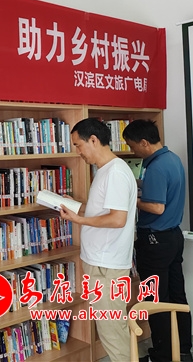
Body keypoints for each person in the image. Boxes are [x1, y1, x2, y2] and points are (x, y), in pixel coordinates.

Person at [58, 118, 137, 362]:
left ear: (93, 140)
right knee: (110, 329)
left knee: (112, 332)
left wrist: (79, 220)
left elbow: (117, 219)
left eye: (78, 145)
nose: (78, 152)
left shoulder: (115, 173)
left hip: (107, 266)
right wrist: (77, 208)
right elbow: (102, 212)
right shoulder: (105, 171)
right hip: (101, 263)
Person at [123, 119, 193, 362]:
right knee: (176, 295)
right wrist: (138, 184)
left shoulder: (156, 167)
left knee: (155, 299)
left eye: (132, 146)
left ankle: (162, 355)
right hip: (173, 237)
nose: (132, 151)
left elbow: (156, 207)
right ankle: (182, 350)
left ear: (144, 142)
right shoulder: (172, 159)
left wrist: (130, 199)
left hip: (154, 241)